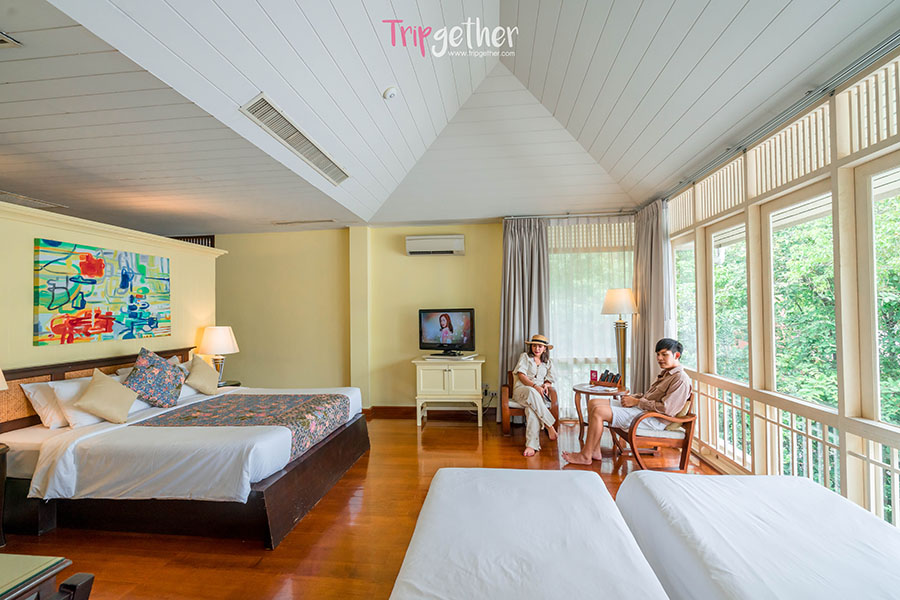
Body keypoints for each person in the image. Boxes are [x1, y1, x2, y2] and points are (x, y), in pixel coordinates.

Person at [563, 338, 691, 465]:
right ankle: (595, 450)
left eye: (664, 354)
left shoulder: (680, 379)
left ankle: (585, 456)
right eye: (658, 354)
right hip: (644, 410)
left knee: (599, 411)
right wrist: (634, 398)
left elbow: (667, 409)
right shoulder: (667, 374)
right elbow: (651, 397)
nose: (659, 358)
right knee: (593, 402)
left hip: (654, 420)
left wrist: (637, 402)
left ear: (676, 355)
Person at [513, 334, 559, 457]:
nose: (536, 349)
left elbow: (550, 379)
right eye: (534, 346)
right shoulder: (525, 357)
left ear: (545, 349)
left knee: (531, 411)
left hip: (537, 397)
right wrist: (534, 386)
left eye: (540, 346)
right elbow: (521, 376)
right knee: (532, 392)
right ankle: (549, 425)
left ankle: (531, 445)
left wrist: (546, 385)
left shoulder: (548, 362)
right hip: (522, 391)